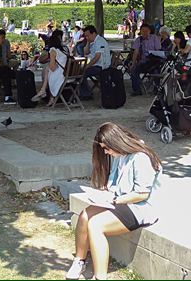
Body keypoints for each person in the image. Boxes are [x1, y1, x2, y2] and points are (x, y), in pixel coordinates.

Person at [67, 123, 162, 281]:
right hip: (120, 202)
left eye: (107, 148)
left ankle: (100, 277)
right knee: (85, 215)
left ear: (116, 142)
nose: (106, 152)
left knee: (96, 225)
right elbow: (114, 185)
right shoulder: (120, 155)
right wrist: (102, 195)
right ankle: (79, 260)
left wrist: (115, 199)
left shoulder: (141, 158)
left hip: (140, 208)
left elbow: (142, 194)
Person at [79, 26, 111, 100]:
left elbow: (97, 57)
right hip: (97, 65)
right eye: (85, 36)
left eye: (88, 35)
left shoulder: (99, 41)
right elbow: (86, 52)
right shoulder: (93, 42)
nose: (86, 37)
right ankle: (85, 92)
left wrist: (87, 66)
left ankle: (86, 94)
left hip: (102, 66)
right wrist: (87, 42)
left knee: (82, 72)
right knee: (81, 71)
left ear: (93, 33)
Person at [129, 24, 162, 96]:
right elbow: (136, 52)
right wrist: (133, 63)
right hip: (143, 62)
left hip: (153, 62)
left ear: (150, 31)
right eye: (143, 31)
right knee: (134, 71)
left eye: (146, 31)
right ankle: (137, 90)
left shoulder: (154, 38)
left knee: (156, 71)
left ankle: (156, 90)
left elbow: (158, 51)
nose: (144, 32)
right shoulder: (138, 40)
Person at [45, 34, 69, 107]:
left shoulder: (53, 50)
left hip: (62, 76)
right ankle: (45, 92)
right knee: (47, 70)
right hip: (70, 75)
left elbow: (53, 67)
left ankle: (50, 96)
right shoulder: (64, 50)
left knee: (48, 71)